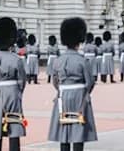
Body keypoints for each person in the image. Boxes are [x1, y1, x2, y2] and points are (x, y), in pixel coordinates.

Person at [47, 17, 97, 151]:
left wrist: (61, 90)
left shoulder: (57, 61)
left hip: (62, 95)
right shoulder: (82, 61)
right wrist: (85, 93)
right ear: (79, 41)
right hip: (79, 95)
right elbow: (90, 82)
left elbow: (55, 81)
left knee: (64, 130)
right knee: (78, 129)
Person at [0, 17, 27, 151]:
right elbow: (22, 81)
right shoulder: (16, 60)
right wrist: (17, 92)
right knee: (14, 127)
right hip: (13, 93)